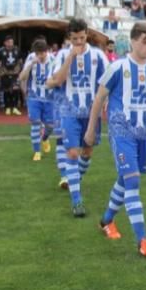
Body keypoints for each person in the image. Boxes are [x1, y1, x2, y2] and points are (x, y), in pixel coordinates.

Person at [88, 22, 146, 257]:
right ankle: (143, 240)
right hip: (121, 131)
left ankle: (106, 221)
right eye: (145, 41)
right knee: (132, 181)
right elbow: (99, 99)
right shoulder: (118, 67)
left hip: (143, 132)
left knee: (125, 177)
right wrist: (92, 129)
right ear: (132, 41)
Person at [46, 18, 110, 217]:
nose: (79, 42)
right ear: (69, 37)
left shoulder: (98, 56)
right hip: (69, 110)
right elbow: (56, 80)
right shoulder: (63, 54)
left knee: (87, 152)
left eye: (82, 38)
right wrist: (70, 58)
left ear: (86, 35)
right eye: (75, 39)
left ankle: (74, 180)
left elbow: (108, 81)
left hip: (91, 113)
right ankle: (77, 201)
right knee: (72, 153)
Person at [20, 39, 56, 162]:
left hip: (50, 98)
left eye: (42, 53)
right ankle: (37, 152)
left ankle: (45, 138)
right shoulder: (31, 58)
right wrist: (30, 65)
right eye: (38, 54)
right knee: (35, 123)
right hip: (34, 97)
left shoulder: (54, 60)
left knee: (50, 126)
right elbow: (22, 77)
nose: (40, 56)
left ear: (47, 51)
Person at [0, 35, 23, 115]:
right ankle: (7, 108)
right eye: (9, 42)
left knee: (15, 90)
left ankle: (14, 108)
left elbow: (20, 60)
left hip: (15, 74)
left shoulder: (17, 50)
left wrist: (19, 69)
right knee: (6, 91)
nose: (11, 43)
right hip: (5, 74)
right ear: (5, 43)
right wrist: (0, 71)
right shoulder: (1, 51)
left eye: (12, 42)